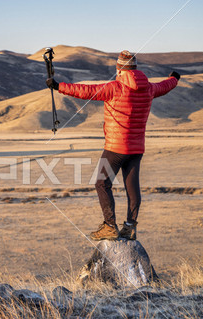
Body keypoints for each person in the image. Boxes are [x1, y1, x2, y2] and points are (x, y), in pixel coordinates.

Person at [46, 50, 180, 241]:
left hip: (116, 147)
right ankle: (130, 227)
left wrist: (59, 86)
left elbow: (85, 91)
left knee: (101, 183)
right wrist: (175, 78)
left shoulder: (114, 88)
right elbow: (165, 86)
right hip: (137, 148)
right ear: (135, 68)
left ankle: (110, 226)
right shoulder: (149, 88)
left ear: (119, 69)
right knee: (132, 188)